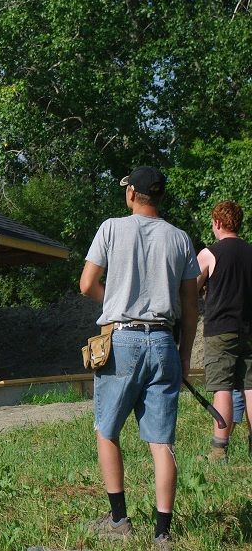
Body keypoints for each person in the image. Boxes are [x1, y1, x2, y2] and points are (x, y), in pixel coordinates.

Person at [79, 165, 199, 547]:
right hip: (164, 342)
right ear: (159, 196)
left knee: (107, 429)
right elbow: (190, 304)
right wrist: (183, 355)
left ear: (131, 194)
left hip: (123, 340)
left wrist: (115, 301)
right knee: (162, 440)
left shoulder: (111, 228)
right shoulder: (180, 239)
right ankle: (163, 534)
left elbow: (86, 285)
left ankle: (119, 521)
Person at [194, 199, 252, 462]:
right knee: (251, 388)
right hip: (249, 330)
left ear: (218, 223)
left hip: (221, 331)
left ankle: (219, 451)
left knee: (223, 389)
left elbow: (189, 289)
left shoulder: (210, 253)